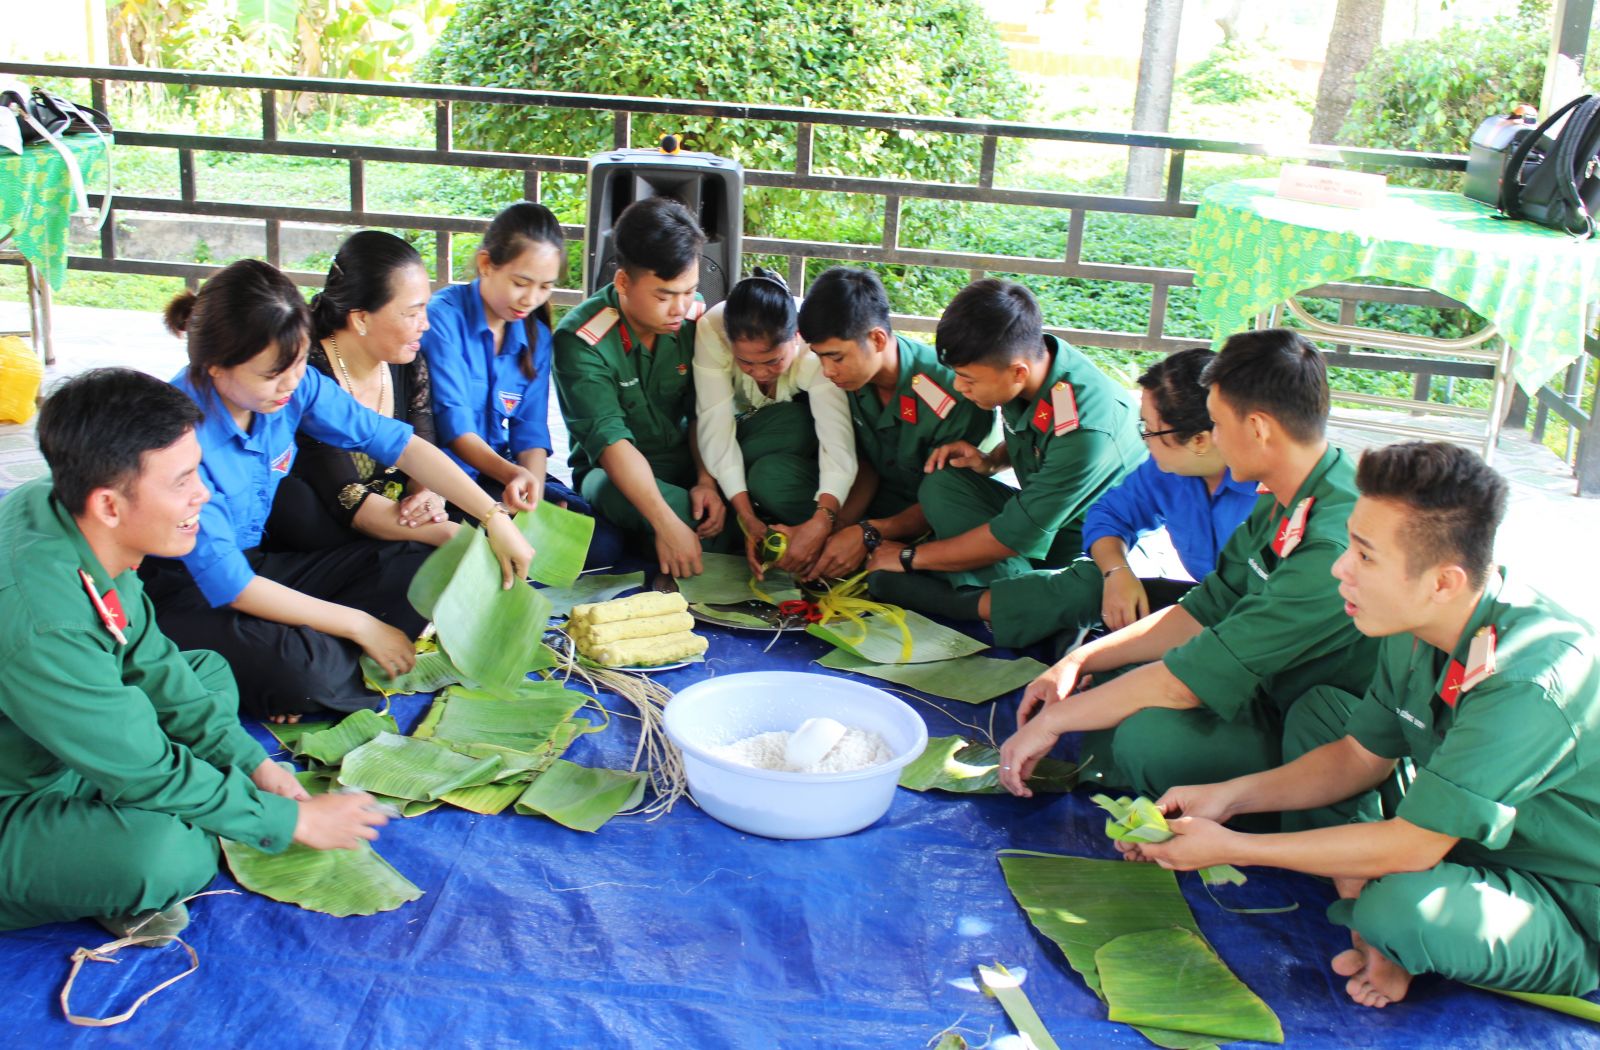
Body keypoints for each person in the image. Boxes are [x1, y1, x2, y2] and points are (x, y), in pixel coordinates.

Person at [1123, 442, 1600, 1010]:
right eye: (1350, 542)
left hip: (1562, 892)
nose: (1339, 568)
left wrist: (1236, 846)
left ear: (1443, 581)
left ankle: (1385, 927)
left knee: (1402, 910)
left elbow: (1415, 845)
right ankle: (1369, 905)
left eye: (1365, 556)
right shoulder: (1414, 623)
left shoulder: (1530, 679)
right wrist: (1224, 800)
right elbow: (1357, 756)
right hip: (1462, 837)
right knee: (1325, 715)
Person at [0, 369, 389, 939]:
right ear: (109, 504)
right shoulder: (44, 620)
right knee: (167, 855)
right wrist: (289, 819)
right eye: (182, 481)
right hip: (18, 792)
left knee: (205, 673)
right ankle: (96, 871)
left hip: (62, 740)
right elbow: (147, 769)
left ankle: (113, 840)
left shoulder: (66, 508)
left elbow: (155, 664)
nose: (202, 494)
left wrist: (253, 764)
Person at [998, 329, 1382, 829]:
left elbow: (1193, 678)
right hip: (1263, 681)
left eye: (1218, 423)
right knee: (1105, 680)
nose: (1213, 439)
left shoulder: (1332, 544)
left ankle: (1272, 806)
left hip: (1315, 723)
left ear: (1259, 428)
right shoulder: (1286, 497)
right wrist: (1079, 658)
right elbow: (1205, 607)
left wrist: (1054, 721)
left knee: (1144, 737)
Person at [139, 259, 533, 723]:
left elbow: (400, 443)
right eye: (271, 374)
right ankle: (303, 663)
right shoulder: (183, 440)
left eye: (300, 362)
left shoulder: (293, 384)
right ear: (214, 368)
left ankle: (303, 657)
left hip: (256, 564)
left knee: (429, 559)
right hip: (188, 592)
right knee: (301, 673)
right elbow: (232, 586)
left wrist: (493, 518)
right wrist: (361, 623)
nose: (290, 383)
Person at [885, 347, 1258, 650]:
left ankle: (966, 604)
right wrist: (1116, 571)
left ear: (1199, 441)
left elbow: (1266, 616)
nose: (1143, 438)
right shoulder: (1169, 470)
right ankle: (1019, 607)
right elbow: (1110, 515)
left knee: (1090, 601)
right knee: (1099, 593)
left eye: (1151, 430)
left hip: (1250, 628)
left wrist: (908, 556)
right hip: (1197, 600)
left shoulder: (1268, 498)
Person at [862, 279, 1145, 636]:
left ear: (1018, 372)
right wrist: (992, 461)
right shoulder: (1036, 362)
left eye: (967, 380)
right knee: (943, 484)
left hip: (1096, 548)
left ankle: (974, 604)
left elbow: (1013, 537)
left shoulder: (1086, 431)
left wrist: (908, 557)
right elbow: (1033, 433)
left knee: (1087, 589)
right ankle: (1016, 603)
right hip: (1041, 517)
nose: (959, 388)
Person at [421, 203, 621, 566]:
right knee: (477, 547)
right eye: (520, 283)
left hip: (498, 474)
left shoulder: (537, 336)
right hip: (445, 482)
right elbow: (456, 430)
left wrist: (534, 493)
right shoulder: (443, 319)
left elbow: (529, 431)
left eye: (545, 287)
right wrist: (513, 477)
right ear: (486, 265)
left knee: (603, 543)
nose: (531, 300)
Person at [553, 196, 729, 577]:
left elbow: (705, 411)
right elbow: (613, 444)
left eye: (690, 291)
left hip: (686, 461)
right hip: (615, 473)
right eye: (664, 295)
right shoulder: (580, 340)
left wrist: (706, 480)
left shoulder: (696, 318)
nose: (680, 307)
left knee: (735, 495)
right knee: (691, 523)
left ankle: (657, 537)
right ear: (623, 282)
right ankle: (665, 532)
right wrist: (666, 522)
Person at [795, 267, 995, 580]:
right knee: (778, 478)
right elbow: (863, 461)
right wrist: (836, 528)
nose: (827, 371)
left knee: (889, 580)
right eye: (819, 357)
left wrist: (868, 533)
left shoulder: (952, 390)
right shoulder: (847, 382)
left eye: (836, 357)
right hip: (875, 498)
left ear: (876, 339)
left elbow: (946, 496)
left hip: (935, 514)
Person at [271, 230, 456, 551]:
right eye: (412, 313)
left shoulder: (409, 361)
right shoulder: (308, 372)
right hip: (331, 532)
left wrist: (429, 496)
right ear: (361, 319)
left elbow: (422, 450)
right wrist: (442, 532)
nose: (424, 324)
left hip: (398, 516)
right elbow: (348, 498)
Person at [693, 267, 856, 577]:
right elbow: (715, 425)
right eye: (746, 362)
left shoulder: (816, 349)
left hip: (791, 446)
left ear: (796, 337)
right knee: (748, 458)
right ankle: (747, 508)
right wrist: (746, 519)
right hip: (749, 434)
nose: (760, 373)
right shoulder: (712, 330)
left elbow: (838, 446)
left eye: (772, 361)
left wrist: (822, 522)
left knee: (794, 427)